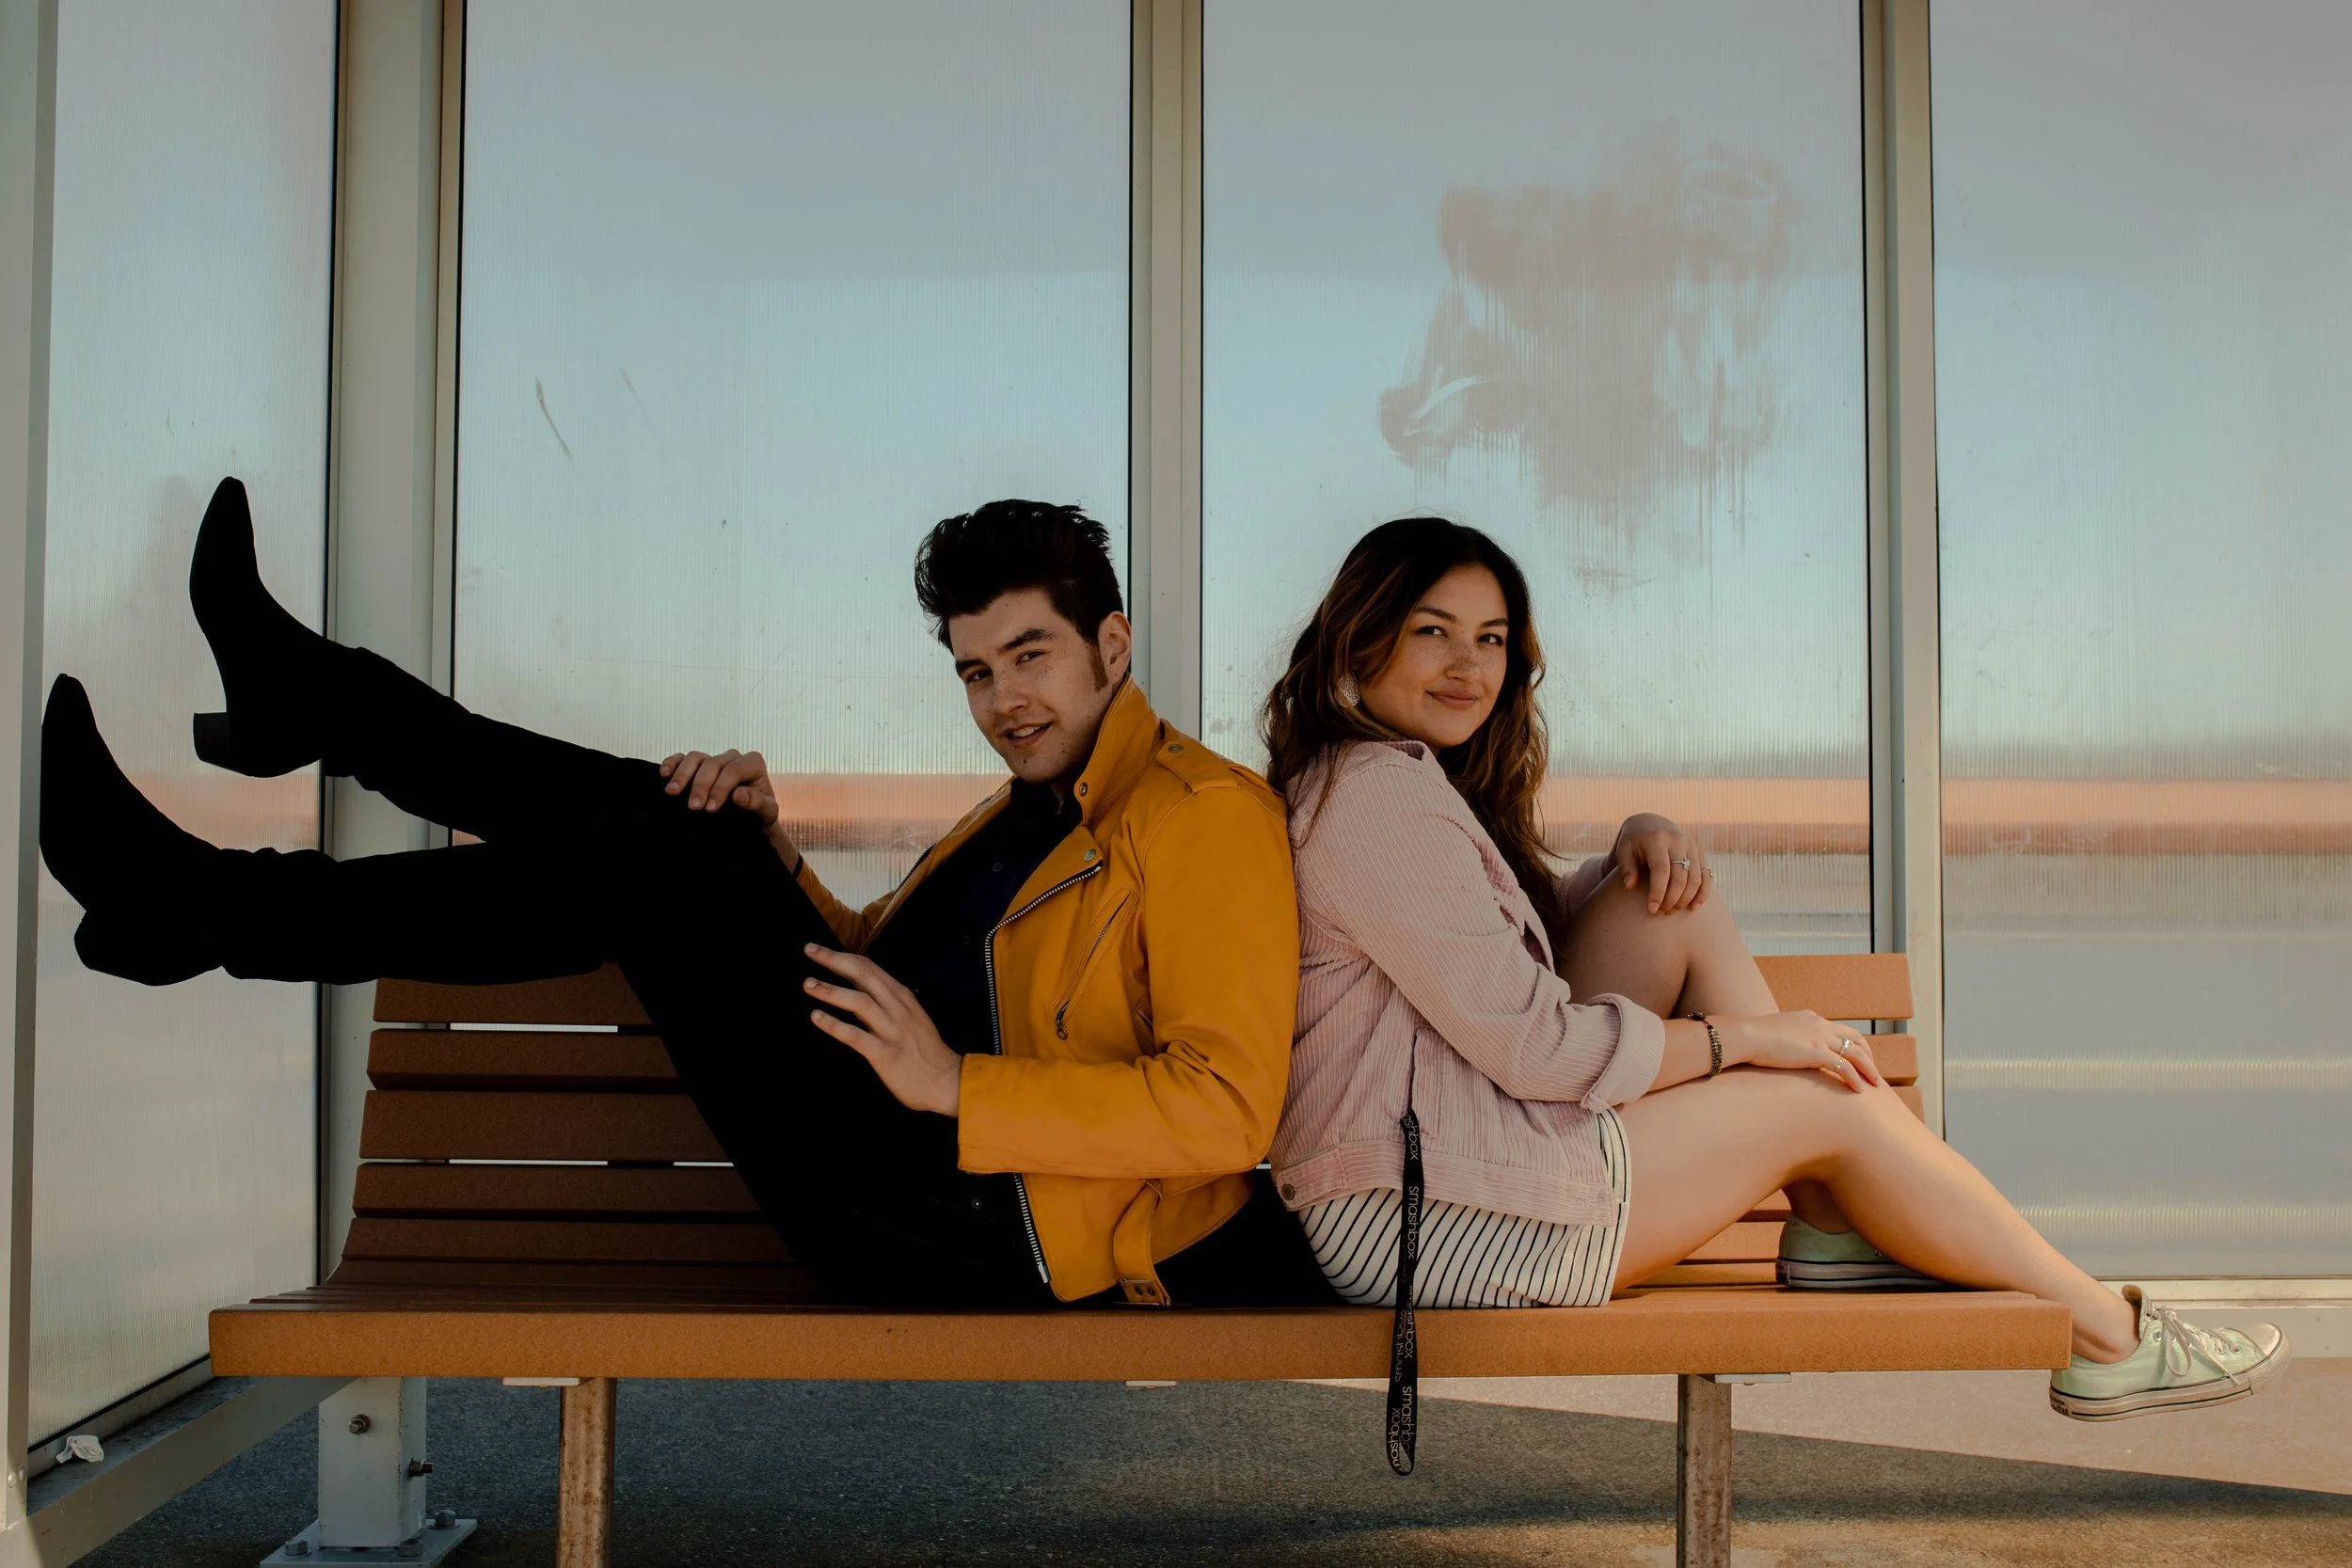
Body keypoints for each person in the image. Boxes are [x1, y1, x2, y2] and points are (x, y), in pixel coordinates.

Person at [40, 478, 1328, 1309]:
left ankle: (236, 841)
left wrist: (957, 1087)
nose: (1004, 702)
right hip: (895, 1150)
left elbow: (1225, 1105)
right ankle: (250, 811)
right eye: (976, 671)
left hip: (981, 1233)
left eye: (1031, 656)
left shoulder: (1203, 815)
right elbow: (880, 972)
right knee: (698, 821)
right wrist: (775, 859)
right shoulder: (1031, 807)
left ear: (1113, 644)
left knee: (669, 842)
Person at [1262, 516, 2287, 1446]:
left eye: (1489, 640)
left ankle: (1838, 1214)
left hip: (1446, 1172)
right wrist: (1747, 1041)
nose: (1467, 665)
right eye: (1432, 630)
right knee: (1810, 1086)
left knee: (1671, 896)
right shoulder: (1379, 798)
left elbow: (1482, 938)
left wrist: (1631, 842)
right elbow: (1537, 1047)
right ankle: (2106, 1333)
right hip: (1430, 1224)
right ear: (1363, 638)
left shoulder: (1379, 781)